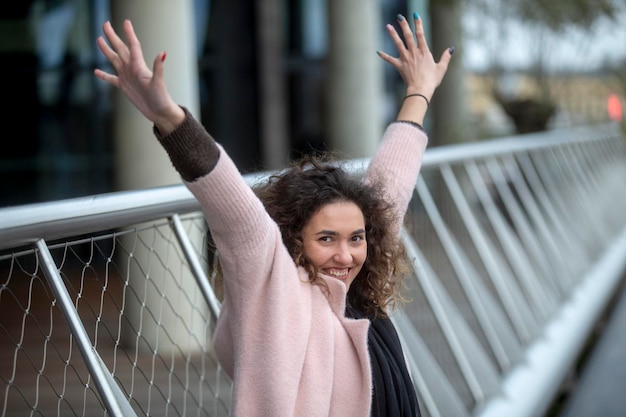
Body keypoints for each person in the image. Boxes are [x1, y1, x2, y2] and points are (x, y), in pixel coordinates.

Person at [95, 12, 452, 417]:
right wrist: (168, 118)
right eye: (325, 239)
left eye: (356, 238)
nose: (345, 254)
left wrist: (419, 91)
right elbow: (232, 205)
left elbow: (392, 180)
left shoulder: (360, 292)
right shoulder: (276, 288)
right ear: (294, 237)